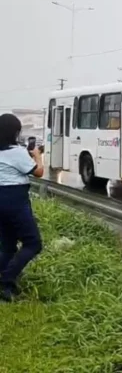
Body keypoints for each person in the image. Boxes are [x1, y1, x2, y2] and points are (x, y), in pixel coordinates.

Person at [0, 114, 44, 301]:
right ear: (15, 132)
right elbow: (39, 172)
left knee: (9, 245)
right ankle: (6, 281)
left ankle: (5, 282)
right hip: (15, 200)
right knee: (33, 243)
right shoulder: (16, 152)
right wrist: (38, 156)